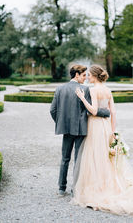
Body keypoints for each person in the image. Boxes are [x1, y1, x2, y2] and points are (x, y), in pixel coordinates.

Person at [73, 64, 133, 218]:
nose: (87, 77)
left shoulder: (92, 90)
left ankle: (97, 190)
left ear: (94, 76)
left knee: (95, 157)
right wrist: (113, 132)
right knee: (107, 158)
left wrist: (81, 98)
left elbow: (93, 110)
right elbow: (113, 112)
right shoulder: (107, 90)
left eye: (89, 75)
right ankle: (108, 186)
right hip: (106, 127)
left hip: (95, 126)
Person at [50, 64, 110, 197]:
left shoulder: (59, 89)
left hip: (66, 129)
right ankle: (75, 188)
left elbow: (52, 110)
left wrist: (61, 123)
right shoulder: (85, 90)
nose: (85, 78)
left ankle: (61, 188)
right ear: (76, 75)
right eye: (83, 75)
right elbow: (91, 110)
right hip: (81, 129)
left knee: (65, 158)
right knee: (78, 159)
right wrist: (106, 112)